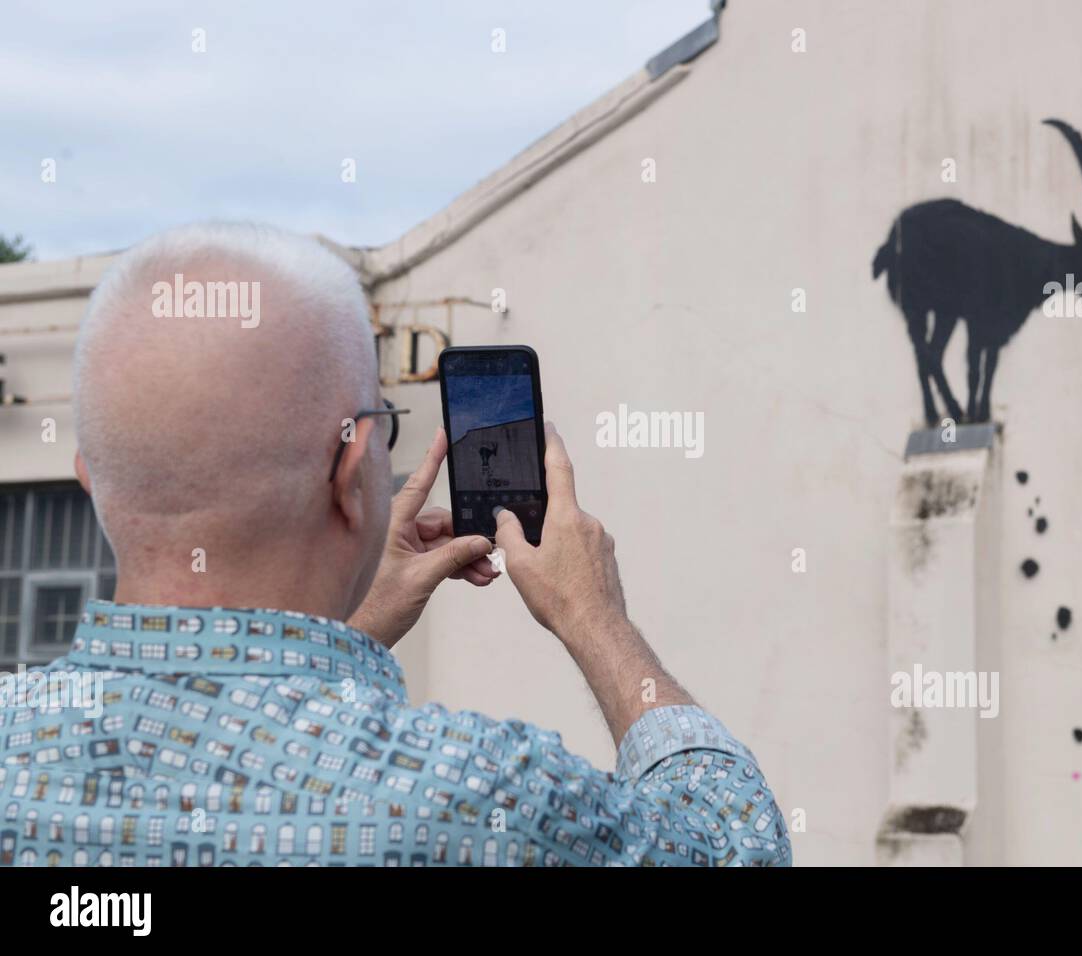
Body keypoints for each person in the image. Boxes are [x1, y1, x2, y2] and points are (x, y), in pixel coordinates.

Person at [0, 223, 790, 866]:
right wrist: (595, 619)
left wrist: (342, 634)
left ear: (91, 482)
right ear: (349, 475)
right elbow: (732, 849)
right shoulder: (479, 796)